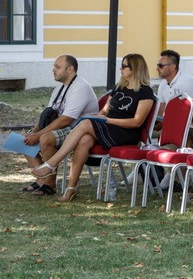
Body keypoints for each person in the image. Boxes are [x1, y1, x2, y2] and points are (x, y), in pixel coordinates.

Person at [31, 54, 156, 202]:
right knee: (84, 140)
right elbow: (104, 111)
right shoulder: (119, 87)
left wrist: (107, 120)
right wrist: (99, 117)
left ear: (135, 68)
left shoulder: (145, 91)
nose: (120, 68)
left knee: (85, 123)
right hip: (108, 127)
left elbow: (137, 122)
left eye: (124, 66)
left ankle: (52, 163)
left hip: (125, 132)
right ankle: (71, 188)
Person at [21, 55, 98, 196]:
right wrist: (34, 132)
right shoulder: (59, 88)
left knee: (45, 138)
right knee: (23, 139)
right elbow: (47, 114)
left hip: (79, 129)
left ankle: (50, 184)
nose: (53, 70)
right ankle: (41, 179)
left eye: (57, 67)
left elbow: (66, 120)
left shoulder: (80, 87)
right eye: (54, 67)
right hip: (65, 127)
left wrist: (38, 136)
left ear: (70, 69)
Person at [155, 50, 193, 141]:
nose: (157, 68)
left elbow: (191, 114)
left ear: (172, 67)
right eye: (157, 65)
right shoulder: (163, 84)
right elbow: (160, 113)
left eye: (160, 66)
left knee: (182, 131)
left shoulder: (187, 82)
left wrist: (167, 124)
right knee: (142, 129)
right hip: (173, 123)